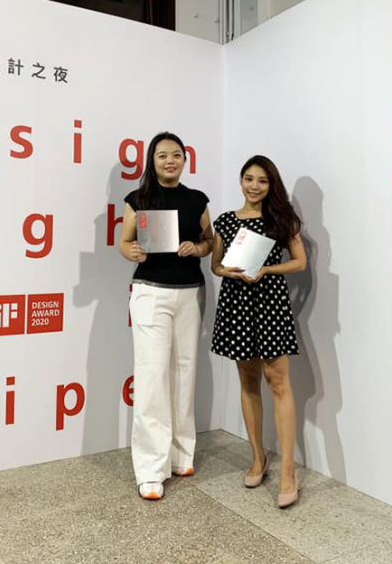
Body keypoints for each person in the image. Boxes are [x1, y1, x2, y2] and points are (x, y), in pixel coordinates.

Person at [118, 131, 213, 500]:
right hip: (151, 292)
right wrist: (133, 252)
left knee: (185, 371)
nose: (170, 161)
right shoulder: (138, 198)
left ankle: (181, 455)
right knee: (152, 374)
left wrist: (198, 248)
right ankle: (150, 469)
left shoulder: (197, 199)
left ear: (185, 160)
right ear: (152, 161)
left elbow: (209, 241)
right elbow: (124, 242)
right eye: (162, 155)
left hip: (190, 292)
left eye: (176, 155)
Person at [210, 155, 307, 509]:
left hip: (270, 304)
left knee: (278, 383)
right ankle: (257, 459)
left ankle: (288, 472)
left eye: (262, 181)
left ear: (271, 185)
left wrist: (267, 270)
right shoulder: (225, 221)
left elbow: (300, 262)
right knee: (248, 381)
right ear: (240, 181)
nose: (254, 186)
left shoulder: (281, 219)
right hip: (237, 304)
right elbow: (216, 265)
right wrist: (228, 271)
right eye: (249, 179)